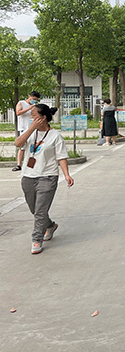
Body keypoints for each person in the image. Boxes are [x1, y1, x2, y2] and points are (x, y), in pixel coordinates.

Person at [14, 104, 74, 254]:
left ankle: (36, 239)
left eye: (34, 116)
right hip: (28, 176)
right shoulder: (30, 133)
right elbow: (18, 144)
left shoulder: (55, 136)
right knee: (34, 209)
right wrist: (30, 129)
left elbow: (61, 157)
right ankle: (50, 225)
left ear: (43, 118)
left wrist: (66, 175)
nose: (31, 118)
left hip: (47, 176)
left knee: (40, 211)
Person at [13, 91, 41, 172]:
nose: (34, 101)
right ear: (29, 96)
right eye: (33, 99)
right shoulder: (21, 103)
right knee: (22, 147)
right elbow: (18, 113)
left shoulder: (34, 106)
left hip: (32, 128)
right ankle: (19, 164)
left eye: (35, 100)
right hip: (24, 128)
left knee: (33, 147)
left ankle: (31, 164)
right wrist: (29, 107)